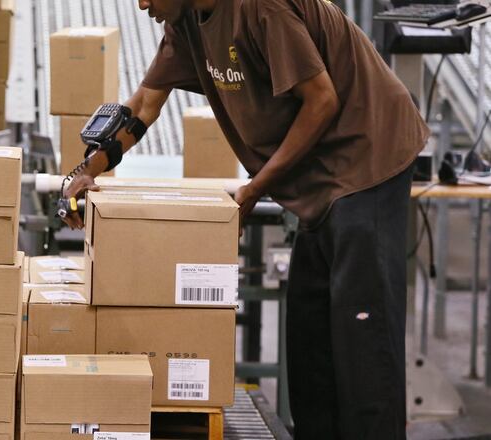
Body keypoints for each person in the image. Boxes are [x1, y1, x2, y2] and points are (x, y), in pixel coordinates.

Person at [61, 0, 430, 438]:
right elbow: (143, 106)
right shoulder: (185, 19)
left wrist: (255, 188)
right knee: (311, 347)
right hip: (319, 182)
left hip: (368, 158)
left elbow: (321, 100)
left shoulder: (261, 8)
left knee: (363, 344)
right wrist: (87, 170)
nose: (142, 4)